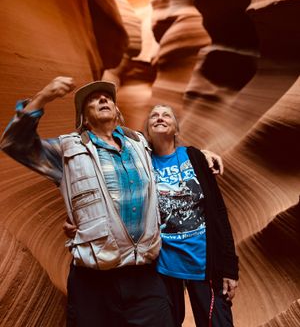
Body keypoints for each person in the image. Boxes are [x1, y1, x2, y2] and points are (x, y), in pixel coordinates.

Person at [0, 77, 223, 327]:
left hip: (145, 277)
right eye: (93, 99)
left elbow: (168, 149)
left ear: (117, 111)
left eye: (107, 97)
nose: (103, 99)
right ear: (83, 118)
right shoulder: (66, 151)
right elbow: (14, 143)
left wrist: (200, 156)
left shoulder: (140, 144)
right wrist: (44, 96)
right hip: (93, 282)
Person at [144, 104, 239, 327]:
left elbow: (218, 212)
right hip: (163, 264)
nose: (160, 118)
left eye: (166, 115)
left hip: (203, 260)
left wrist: (229, 267)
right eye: (154, 116)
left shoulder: (194, 156)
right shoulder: (142, 161)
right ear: (147, 131)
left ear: (176, 128)